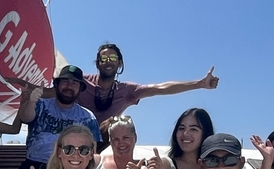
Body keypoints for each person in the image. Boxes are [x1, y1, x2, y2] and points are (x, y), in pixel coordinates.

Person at [15, 65, 102, 169]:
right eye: (65, 82)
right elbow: (25, 117)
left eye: (75, 83)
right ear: (56, 84)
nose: (69, 86)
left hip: (69, 166)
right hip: (37, 164)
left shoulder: (88, 117)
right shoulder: (41, 104)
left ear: (80, 89)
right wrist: (31, 101)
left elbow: (93, 150)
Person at [77, 43, 219, 128]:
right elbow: (56, 90)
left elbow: (160, 88)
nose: (108, 61)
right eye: (103, 58)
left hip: (104, 142)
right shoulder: (80, 81)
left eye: (113, 58)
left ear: (119, 63)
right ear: (97, 63)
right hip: (75, 137)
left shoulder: (127, 90)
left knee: (118, 125)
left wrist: (200, 84)